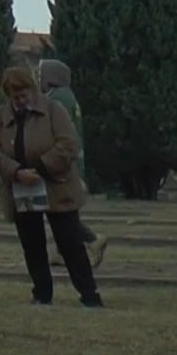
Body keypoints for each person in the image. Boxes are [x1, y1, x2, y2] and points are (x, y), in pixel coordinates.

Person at [0, 65, 102, 307]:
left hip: (56, 185)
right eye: (15, 97)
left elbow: (69, 144)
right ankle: (42, 294)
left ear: (33, 89)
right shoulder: (0, 117)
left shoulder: (54, 110)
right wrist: (16, 171)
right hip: (20, 189)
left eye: (24, 94)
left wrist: (40, 168)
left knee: (69, 243)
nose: (21, 100)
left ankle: (89, 295)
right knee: (32, 245)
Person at [38, 58, 108, 268]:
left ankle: (93, 239)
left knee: (60, 212)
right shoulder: (68, 97)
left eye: (41, 74)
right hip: (71, 163)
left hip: (62, 164)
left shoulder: (56, 99)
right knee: (60, 210)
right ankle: (60, 251)